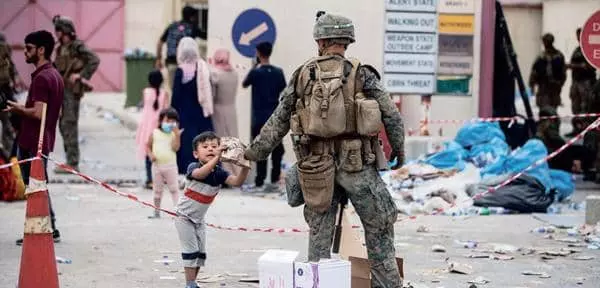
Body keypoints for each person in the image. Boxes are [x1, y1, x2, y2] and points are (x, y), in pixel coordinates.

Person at [244, 13, 405, 287]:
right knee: (379, 230)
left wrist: (253, 153)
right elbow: (390, 114)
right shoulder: (361, 73)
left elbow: (278, 120)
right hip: (357, 167)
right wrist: (398, 149)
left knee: (319, 238)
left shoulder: (302, 75)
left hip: (316, 168)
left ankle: (319, 283)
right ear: (347, 41)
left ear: (320, 40)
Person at [3, 30, 64, 245]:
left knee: (35, 187)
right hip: (41, 139)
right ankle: (50, 227)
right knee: (39, 185)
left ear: (41, 50)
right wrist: (17, 107)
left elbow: (38, 113)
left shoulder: (42, 78)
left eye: (29, 48)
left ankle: (39, 231)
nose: (25, 53)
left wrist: (17, 110)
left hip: (32, 142)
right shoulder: (54, 74)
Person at [175, 131, 249, 288]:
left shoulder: (220, 174)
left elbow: (236, 182)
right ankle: (189, 284)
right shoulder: (193, 167)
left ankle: (193, 282)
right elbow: (201, 174)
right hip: (184, 218)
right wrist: (218, 157)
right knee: (191, 250)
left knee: (200, 254)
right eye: (205, 146)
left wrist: (245, 165)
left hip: (199, 220)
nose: (210, 149)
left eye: (215, 146)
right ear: (196, 154)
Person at [52, 15, 100, 173]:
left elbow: (94, 59)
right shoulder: (60, 48)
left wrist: (82, 75)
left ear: (65, 31)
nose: (56, 33)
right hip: (61, 89)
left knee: (69, 124)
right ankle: (69, 160)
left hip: (72, 91)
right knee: (62, 124)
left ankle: (73, 163)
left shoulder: (76, 46)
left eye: (58, 30)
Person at [242, 42, 286, 192]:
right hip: (274, 117)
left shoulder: (256, 73)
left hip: (259, 117)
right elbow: (283, 89)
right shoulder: (278, 72)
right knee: (277, 149)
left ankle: (259, 181)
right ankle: (274, 180)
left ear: (258, 53)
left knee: (261, 149)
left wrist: (254, 66)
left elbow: (244, 84)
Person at [171, 37, 213, 175]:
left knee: (186, 141)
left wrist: (172, 113)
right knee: (201, 140)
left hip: (184, 111)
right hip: (200, 111)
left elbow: (176, 95)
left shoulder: (181, 70)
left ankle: (186, 169)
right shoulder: (202, 67)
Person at [156, 5, 206, 87]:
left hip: (171, 62)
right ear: (192, 17)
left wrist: (158, 58)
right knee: (186, 89)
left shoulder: (172, 26)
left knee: (174, 88)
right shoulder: (192, 28)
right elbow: (206, 36)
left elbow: (160, 42)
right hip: (187, 65)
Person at [136, 70, 169, 189]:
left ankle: (150, 180)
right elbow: (166, 110)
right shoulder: (165, 93)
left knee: (148, 154)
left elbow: (144, 106)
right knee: (160, 155)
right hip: (159, 127)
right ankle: (160, 179)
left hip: (147, 127)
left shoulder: (145, 92)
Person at [147, 108, 183, 219]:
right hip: (157, 166)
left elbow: (175, 148)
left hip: (170, 166)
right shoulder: (155, 133)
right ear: (161, 121)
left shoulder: (173, 134)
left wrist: (177, 135)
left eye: (173, 121)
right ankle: (156, 211)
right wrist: (151, 155)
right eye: (167, 121)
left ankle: (178, 212)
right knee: (157, 190)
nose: (170, 124)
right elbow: (148, 146)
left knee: (174, 189)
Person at [209, 48, 240, 176]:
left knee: (221, 141)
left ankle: (226, 173)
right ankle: (238, 172)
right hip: (231, 108)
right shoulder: (235, 74)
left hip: (218, 109)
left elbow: (212, 95)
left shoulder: (215, 74)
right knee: (232, 140)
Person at [567, 27, 597, 137]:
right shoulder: (577, 50)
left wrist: (574, 66)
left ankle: (584, 128)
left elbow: (589, 66)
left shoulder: (589, 49)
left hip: (586, 82)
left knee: (585, 106)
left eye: (580, 35)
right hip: (576, 81)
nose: (578, 38)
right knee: (575, 106)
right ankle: (576, 128)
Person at [529, 33, 567, 110]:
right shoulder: (541, 56)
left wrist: (559, 84)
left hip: (553, 88)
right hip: (543, 87)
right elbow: (534, 72)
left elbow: (563, 72)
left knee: (552, 111)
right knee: (544, 111)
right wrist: (532, 85)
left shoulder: (558, 56)